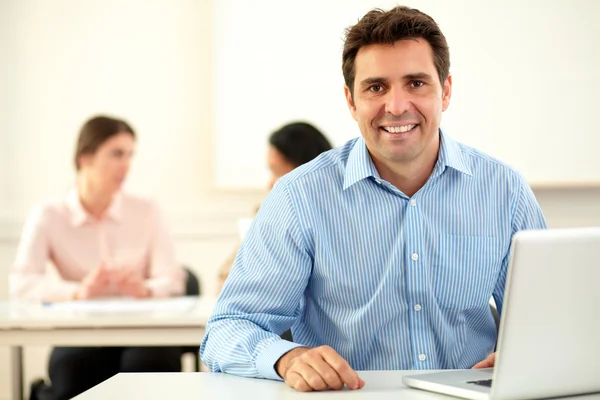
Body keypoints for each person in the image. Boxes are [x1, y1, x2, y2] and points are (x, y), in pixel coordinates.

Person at [200, 5, 547, 393]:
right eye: (376, 87)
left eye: (416, 83)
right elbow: (228, 330)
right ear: (351, 100)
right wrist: (287, 358)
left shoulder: (504, 190)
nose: (396, 106)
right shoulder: (299, 197)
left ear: (445, 91)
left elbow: (548, 318)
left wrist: (532, 351)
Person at [10, 115, 187, 400]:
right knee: (74, 375)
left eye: (130, 155)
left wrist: (145, 289)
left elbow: (174, 279)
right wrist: (78, 292)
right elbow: (21, 284)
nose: (126, 165)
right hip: (82, 331)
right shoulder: (49, 215)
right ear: (85, 158)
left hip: (146, 330)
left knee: (148, 371)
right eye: (116, 154)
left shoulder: (147, 210)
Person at [217, 121, 333, 293]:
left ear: (305, 172)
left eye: (278, 172)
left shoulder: (332, 223)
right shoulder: (267, 218)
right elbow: (224, 286)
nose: (270, 184)